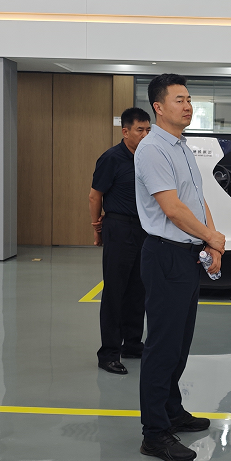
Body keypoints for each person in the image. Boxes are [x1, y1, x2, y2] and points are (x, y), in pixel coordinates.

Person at [133, 74, 224, 461]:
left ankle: (172, 410)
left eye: (189, 100)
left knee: (180, 342)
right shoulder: (153, 149)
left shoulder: (183, 147)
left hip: (187, 254)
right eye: (179, 100)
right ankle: (154, 433)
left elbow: (196, 200)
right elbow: (172, 209)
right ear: (158, 107)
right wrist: (212, 236)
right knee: (162, 345)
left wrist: (210, 240)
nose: (187, 106)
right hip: (165, 254)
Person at [89, 106, 152, 375]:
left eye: (148, 130)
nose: (145, 135)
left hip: (144, 229)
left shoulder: (148, 158)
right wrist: (97, 227)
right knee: (115, 291)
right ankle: (109, 353)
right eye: (140, 130)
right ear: (125, 132)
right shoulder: (111, 158)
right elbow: (95, 196)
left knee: (138, 289)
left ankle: (133, 344)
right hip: (118, 227)